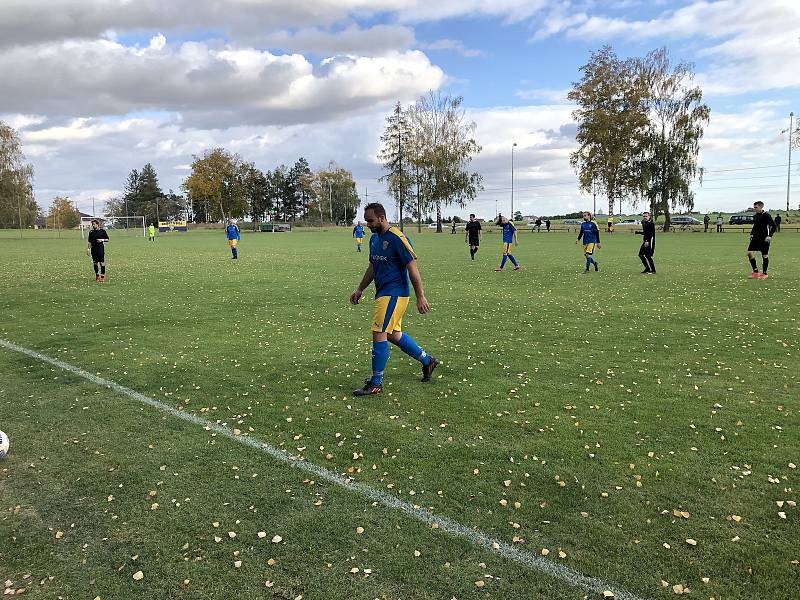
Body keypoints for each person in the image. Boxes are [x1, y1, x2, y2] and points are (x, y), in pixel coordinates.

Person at [349, 203, 438, 396]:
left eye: (371, 221)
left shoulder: (398, 238)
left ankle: (376, 383)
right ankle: (427, 360)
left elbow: (412, 268)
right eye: (366, 221)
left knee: (379, 332)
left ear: (382, 218)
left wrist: (420, 296)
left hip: (395, 293)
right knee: (392, 334)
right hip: (383, 293)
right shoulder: (374, 240)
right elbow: (373, 267)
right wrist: (360, 288)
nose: (368, 224)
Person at [746, 201, 776, 279]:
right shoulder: (755, 216)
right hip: (755, 238)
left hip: (764, 238)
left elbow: (774, 226)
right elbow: (755, 226)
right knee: (749, 253)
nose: (754, 209)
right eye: (754, 207)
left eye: (756, 207)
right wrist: (751, 234)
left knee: (764, 255)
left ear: (761, 207)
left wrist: (770, 236)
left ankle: (764, 273)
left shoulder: (766, 215)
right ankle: (755, 272)